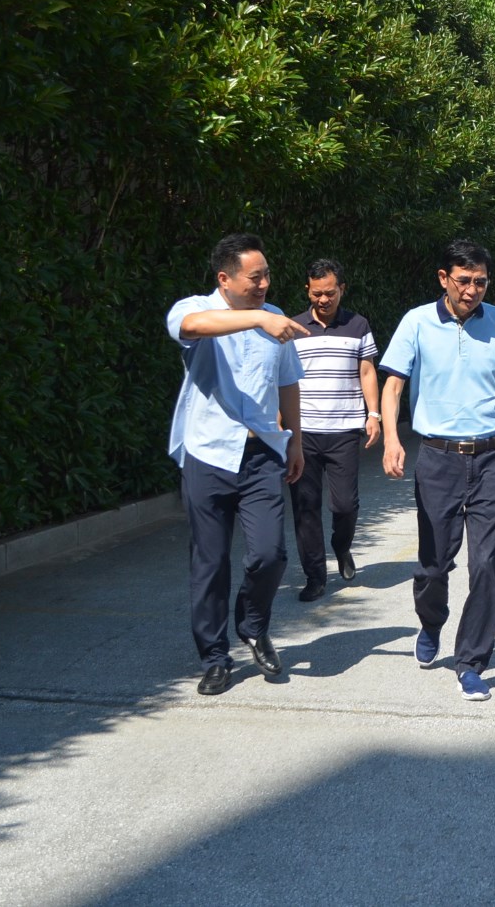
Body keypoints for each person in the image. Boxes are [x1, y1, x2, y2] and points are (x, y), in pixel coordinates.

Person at [378, 239, 495, 702]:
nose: (472, 290)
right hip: (438, 458)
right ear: (444, 278)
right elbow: (393, 386)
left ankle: (471, 662)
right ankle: (431, 623)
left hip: (491, 457)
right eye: (463, 281)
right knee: (433, 564)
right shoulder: (416, 322)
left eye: (480, 282)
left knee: (486, 564)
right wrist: (391, 439)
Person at [166, 233, 307, 696]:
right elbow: (192, 326)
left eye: (267, 275)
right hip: (207, 453)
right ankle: (214, 657)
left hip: (262, 454)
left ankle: (253, 624)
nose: (264, 284)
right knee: (210, 562)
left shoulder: (275, 319)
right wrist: (257, 319)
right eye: (255, 277)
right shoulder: (196, 308)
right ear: (225, 279)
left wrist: (295, 442)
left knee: (270, 554)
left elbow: (287, 383)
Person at [289, 258, 381, 602]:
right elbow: (284, 380)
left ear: (342, 288)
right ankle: (315, 577)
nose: (323, 299)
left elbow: (367, 371)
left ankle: (341, 547)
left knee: (345, 505)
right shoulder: (293, 328)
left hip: (344, 430)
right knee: (305, 507)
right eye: (316, 293)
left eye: (329, 292)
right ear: (307, 290)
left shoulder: (358, 325)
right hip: (303, 432)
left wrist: (374, 414)